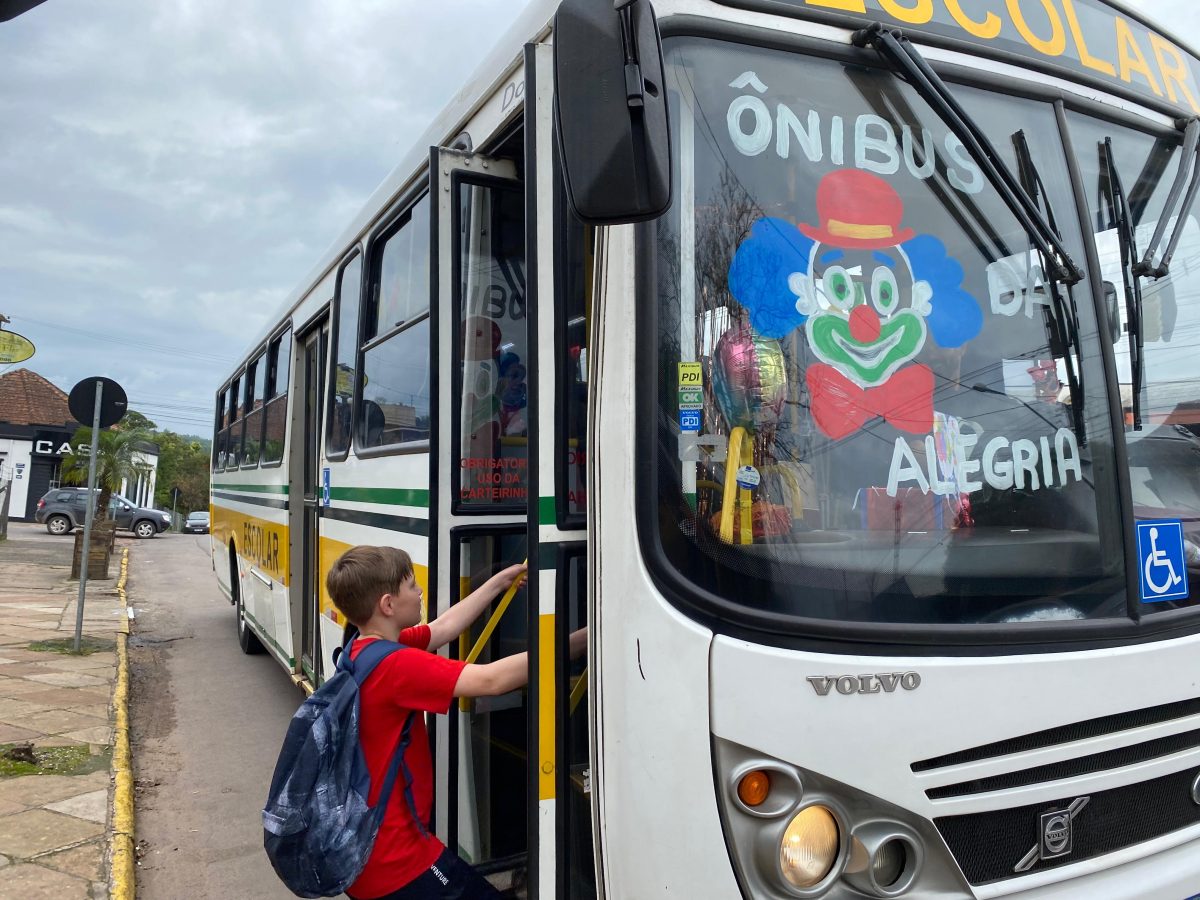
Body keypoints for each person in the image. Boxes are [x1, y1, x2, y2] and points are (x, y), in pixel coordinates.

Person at [325, 545, 586, 900]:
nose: (419, 593)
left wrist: (498, 582)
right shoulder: (396, 665)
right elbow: (492, 680)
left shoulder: (365, 648)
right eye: (412, 586)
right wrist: (587, 637)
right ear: (388, 605)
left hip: (368, 853)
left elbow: (443, 628)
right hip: (397, 861)